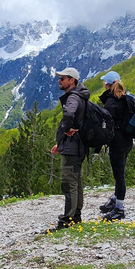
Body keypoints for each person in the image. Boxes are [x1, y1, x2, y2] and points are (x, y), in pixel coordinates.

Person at [50, 67, 90, 230]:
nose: (59, 81)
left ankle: (68, 219)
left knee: (69, 183)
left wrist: (65, 130)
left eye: (62, 79)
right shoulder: (80, 95)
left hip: (73, 148)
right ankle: (76, 215)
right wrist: (61, 143)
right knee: (76, 181)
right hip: (77, 145)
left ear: (71, 80)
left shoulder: (73, 97)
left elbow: (69, 115)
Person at [97, 71, 133, 220]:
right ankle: (115, 199)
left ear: (107, 84)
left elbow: (107, 125)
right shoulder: (126, 98)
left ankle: (119, 208)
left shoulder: (111, 102)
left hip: (117, 142)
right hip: (127, 140)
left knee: (119, 176)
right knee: (120, 171)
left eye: (104, 82)